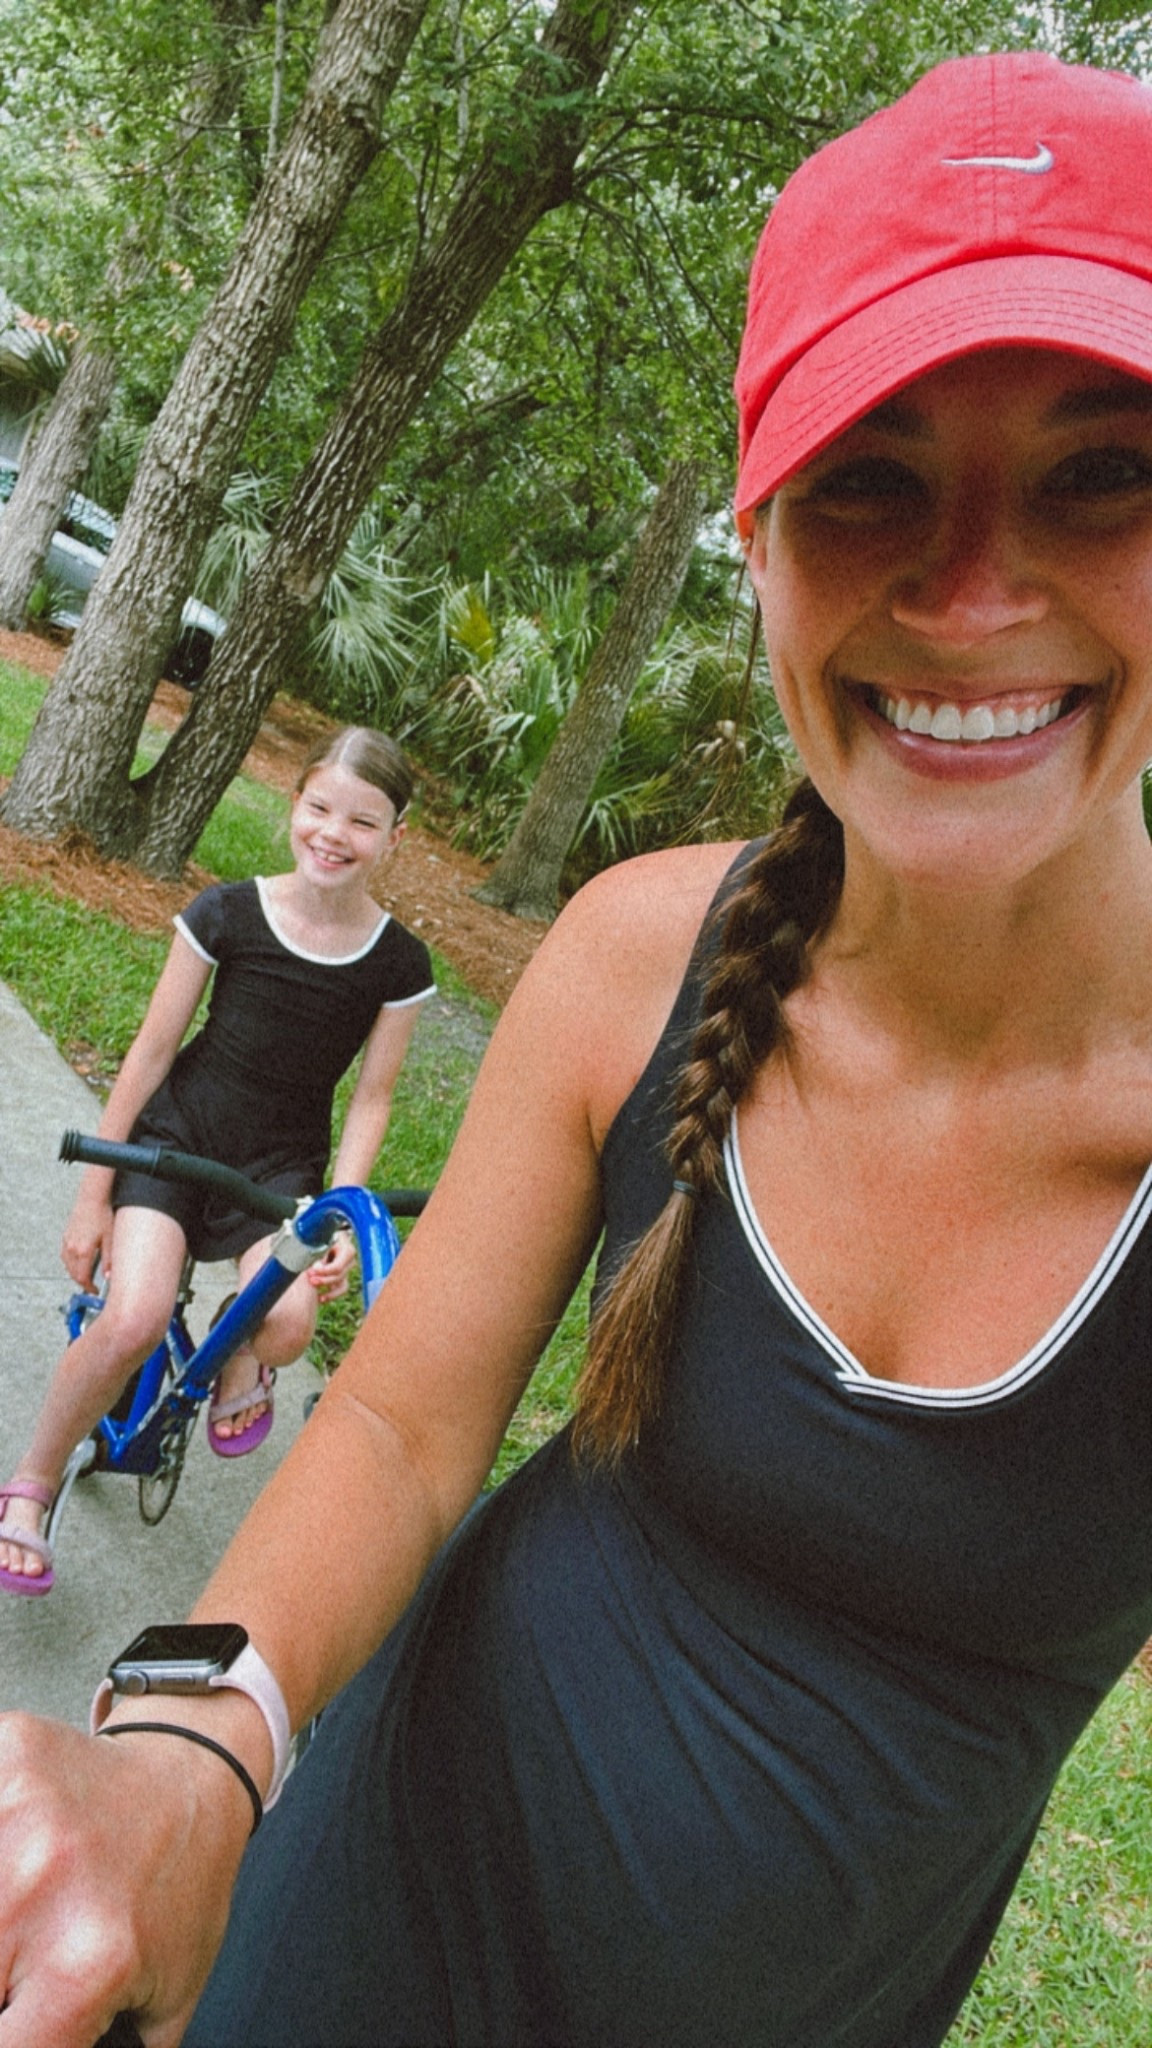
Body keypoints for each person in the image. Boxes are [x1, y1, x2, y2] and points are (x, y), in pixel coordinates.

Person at [5, 44, 1152, 2048]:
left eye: (1102, 471)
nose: (977, 588)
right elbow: (394, 1419)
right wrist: (192, 1755)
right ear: (765, 545)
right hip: (362, 1909)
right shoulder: (647, 960)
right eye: (874, 473)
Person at [0, 726, 434, 1595]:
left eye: (362, 821)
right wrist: (96, 1194)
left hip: (281, 1168)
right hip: (179, 1139)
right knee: (131, 1318)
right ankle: (30, 1488)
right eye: (318, 808)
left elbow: (373, 1097)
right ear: (293, 807)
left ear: (395, 838)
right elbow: (154, 1050)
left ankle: (241, 1352)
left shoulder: (396, 963)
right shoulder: (227, 913)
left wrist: (343, 1207)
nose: (333, 835)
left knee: (289, 1323)